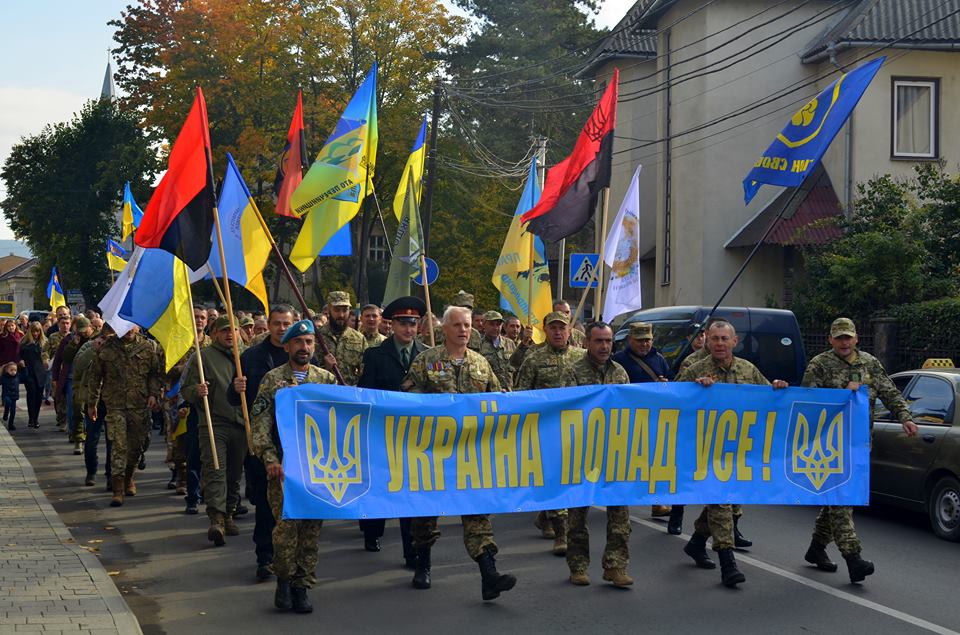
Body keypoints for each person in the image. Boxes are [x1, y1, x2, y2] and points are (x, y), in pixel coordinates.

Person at [400, 306, 517, 601]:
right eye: (457, 325)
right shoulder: (426, 361)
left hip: (471, 454)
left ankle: (489, 575)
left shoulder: (480, 363)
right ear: (445, 329)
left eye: (467, 325)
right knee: (426, 514)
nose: (464, 330)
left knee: (477, 513)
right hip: (433, 451)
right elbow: (406, 398)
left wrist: (503, 401)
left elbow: (497, 398)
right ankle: (422, 565)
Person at [801, 317, 917, 584]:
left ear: (856, 339)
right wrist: (844, 391)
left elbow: (889, 392)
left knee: (842, 500)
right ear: (830, 340)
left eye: (848, 337)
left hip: (859, 444)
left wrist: (905, 417)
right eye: (839, 337)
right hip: (828, 447)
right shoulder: (819, 365)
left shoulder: (870, 363)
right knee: (842, 499)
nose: (844, 342)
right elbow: (808, 400)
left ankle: (817, 548)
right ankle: (854, 559)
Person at [676, 319, 788, 587]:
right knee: (721, 499)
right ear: (706, 340)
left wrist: (778, 388)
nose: (719, 343)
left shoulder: (748, 370)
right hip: (705, 451)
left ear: (734, 342)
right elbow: (674, 400)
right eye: (714, 338)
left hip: (737, 450)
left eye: (724, 339)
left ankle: (696, 542)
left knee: (725, 499)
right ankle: (728, 563)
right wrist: (694, 390)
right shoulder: (695, 370)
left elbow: (767, 399)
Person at [250, 319, 336, 614]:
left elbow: (340, 421)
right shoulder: (272, 380)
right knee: (286, 531)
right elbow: (259, 424)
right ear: (287, 346)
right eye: (299, 342)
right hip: (284, 470)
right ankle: (284, 580)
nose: (305, 347)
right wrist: (269, 458)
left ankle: (302, 586)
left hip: (318, 469)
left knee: (311, 531)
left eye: (310, 342)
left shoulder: (326, 380)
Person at [356, 296, 429, 563]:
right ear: (392, 325)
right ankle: (372, 531)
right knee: (380, 487)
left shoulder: (427, 354)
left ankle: (411, 551)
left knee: (410, 492)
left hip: (415, 436)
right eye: (402, 323)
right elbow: (365, 393)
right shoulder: (375, 355)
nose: (408, 329)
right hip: (383, 433)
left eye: (413, 323)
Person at [564, 322, 633, 587]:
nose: (604, 346)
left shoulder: (620, 373)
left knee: (620, 514)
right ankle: (578, 566)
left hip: (614, 452)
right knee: (578, 514)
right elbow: (567, 410)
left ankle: (615, 566)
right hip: (581, 453)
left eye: (608, 341)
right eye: (599, 341)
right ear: (587, 343)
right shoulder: (574, 372)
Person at [515, 311, 584, 556]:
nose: (558, 332)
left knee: (572, 481)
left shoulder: (582, 357)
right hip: (547, 433)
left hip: (577, 432)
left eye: (562, 328)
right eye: (553, 328)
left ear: (569, 331)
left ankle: (545, 515)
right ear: (545, 330)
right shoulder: (533, 360)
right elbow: (520, 396)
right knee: (556, 480)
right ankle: (561, 533)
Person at [239, 305, 296, 581]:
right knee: (265, 503)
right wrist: (234, 387)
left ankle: (289, 557)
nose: (282, 328)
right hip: (264, 443)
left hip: (296, 446)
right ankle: (265, 557)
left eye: (287, 323)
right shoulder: (251, 356)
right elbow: (235, 397)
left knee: (292, 505)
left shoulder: (302, 354)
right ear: (269, 325)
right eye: (277, 323)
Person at [182, 316, 249, 546]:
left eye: (234, 330)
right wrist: (196, 391)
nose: (230, 334)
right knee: (215, 470)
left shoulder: (246, 356)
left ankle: (229, 512)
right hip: (214, 423)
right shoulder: (202, 358)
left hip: (241, 423)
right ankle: (216, 519)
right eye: (224, 330)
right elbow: (186, 389)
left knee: (234, 473)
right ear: (215, 334)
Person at [86, 325, 164, 507]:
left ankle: (129, 477)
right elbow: (95, 376)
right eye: (125, 325)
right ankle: (117, 489)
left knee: (137, 447)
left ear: (137, 327)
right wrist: (92, 403)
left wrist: (153, 394)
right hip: (115, 405)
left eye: (132, 326)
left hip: (139, 405)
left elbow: (154, 374)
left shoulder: (146, 347)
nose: (129, 329)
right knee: (118, 447)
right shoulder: (108, 347)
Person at [611, 322, 674, 519]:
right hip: (626, 420)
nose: (644, 344)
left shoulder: (659, 359)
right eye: (639, 340)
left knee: (653, 461)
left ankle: (656, 501)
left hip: (653, 419)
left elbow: (673, 384)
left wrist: (666, 385)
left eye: (647, 340)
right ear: (630, 340)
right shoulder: (618, 361)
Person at [73, 325, 112, 487]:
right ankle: (91, 471)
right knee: (91, 440)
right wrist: (94, 349)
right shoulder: (89, 345)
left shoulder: (118, 349)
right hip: (93, 400)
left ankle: (111, 474)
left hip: (112, 400)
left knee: (113, 441)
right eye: (107, 336)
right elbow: (79, 365)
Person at [316, 291, 366, 386]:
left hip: (350, 395)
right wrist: (325, 368)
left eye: (345, 310)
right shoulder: (317, 337)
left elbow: (365, 372)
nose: (341, 315)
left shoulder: (359, 339)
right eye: (337, 310)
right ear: (329, 309)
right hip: (323, 392)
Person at [18, 322, 47, 429]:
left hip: (40, 373)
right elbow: (18, 355)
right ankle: (31, 418)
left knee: (39, 397)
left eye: (38, 331)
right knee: (31, 394)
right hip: (29, 372)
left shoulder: (44, 343)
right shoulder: (24, 343)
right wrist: (21, 361)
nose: (35, 333)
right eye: (34, 331)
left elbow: (48, 355)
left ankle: (36, 418)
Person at [45, 314, 71, 431]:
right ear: (58, 325)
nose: (65, 326)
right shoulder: (53, 337)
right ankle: (61, 419)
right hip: (56, 370)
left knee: (68, 396)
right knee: (58, 395)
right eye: (63, 324)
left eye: (67, 323)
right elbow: (46, 351)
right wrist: (45, 360)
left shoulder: (73, 337)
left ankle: (67, 420)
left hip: (68, 372)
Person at [478, 310, 516, 391]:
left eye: (498, 324)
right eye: (491, 324)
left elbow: (516, 368)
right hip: (490, 395)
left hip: (510, 393)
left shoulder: (509, 343)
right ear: (484, 325)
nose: (495, 327)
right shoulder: (478, 345)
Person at [2, 361, 20, 431]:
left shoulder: (18, 377)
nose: (13, 372)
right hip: (6, 395)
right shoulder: (4, 377)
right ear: (7, 370)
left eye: (15, 370)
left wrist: (24, 368)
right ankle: (6, 414)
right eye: (11, 370)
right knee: (8, 402)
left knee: (13, 411)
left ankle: (11, 424)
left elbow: (25, 375)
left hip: (14, 397)